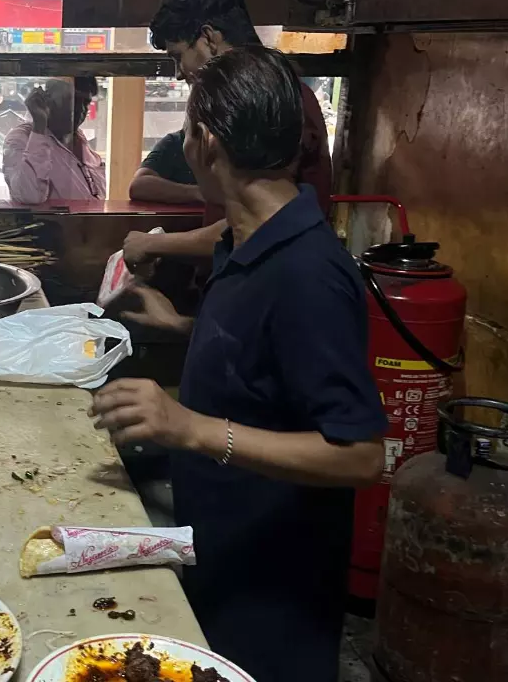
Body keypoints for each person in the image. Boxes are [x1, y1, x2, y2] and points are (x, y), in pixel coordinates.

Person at [91, 46, 386, 682]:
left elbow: (361, 454)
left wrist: (189, 428)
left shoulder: (307, 274)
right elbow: (271, 359)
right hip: (224, 539)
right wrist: (183, 327)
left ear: (206, 142)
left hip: (277, 576)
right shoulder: (247, 237)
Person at [125, 0, 334, 259]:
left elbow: (258, 226)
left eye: (177, 56)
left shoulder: (278, 99)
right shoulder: (248, 98)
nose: (178, 72)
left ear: (209, 38)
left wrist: (153, 245)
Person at [2, 77, 105, 204]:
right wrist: (40, 126)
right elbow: (29, 195)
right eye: (74, 101)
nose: (81, 110)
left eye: (86, 103)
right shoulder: (21, 138)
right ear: (49, 100)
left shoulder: (79, 140)